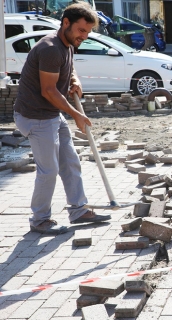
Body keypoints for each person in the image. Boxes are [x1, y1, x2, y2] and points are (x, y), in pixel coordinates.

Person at [13, 3, 111, 235]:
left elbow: (69, 67)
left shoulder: (66, 44)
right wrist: (76, 114)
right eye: (81, 30)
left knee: (70, 161)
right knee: (48, 170)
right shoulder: (49, 48)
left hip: (51, 114)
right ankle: (39, 220)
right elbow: (48, 90)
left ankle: (78, 210)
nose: (84, 36)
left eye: (87, 32)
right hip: (34, 115)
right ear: (66, 23)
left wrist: (74, 80)